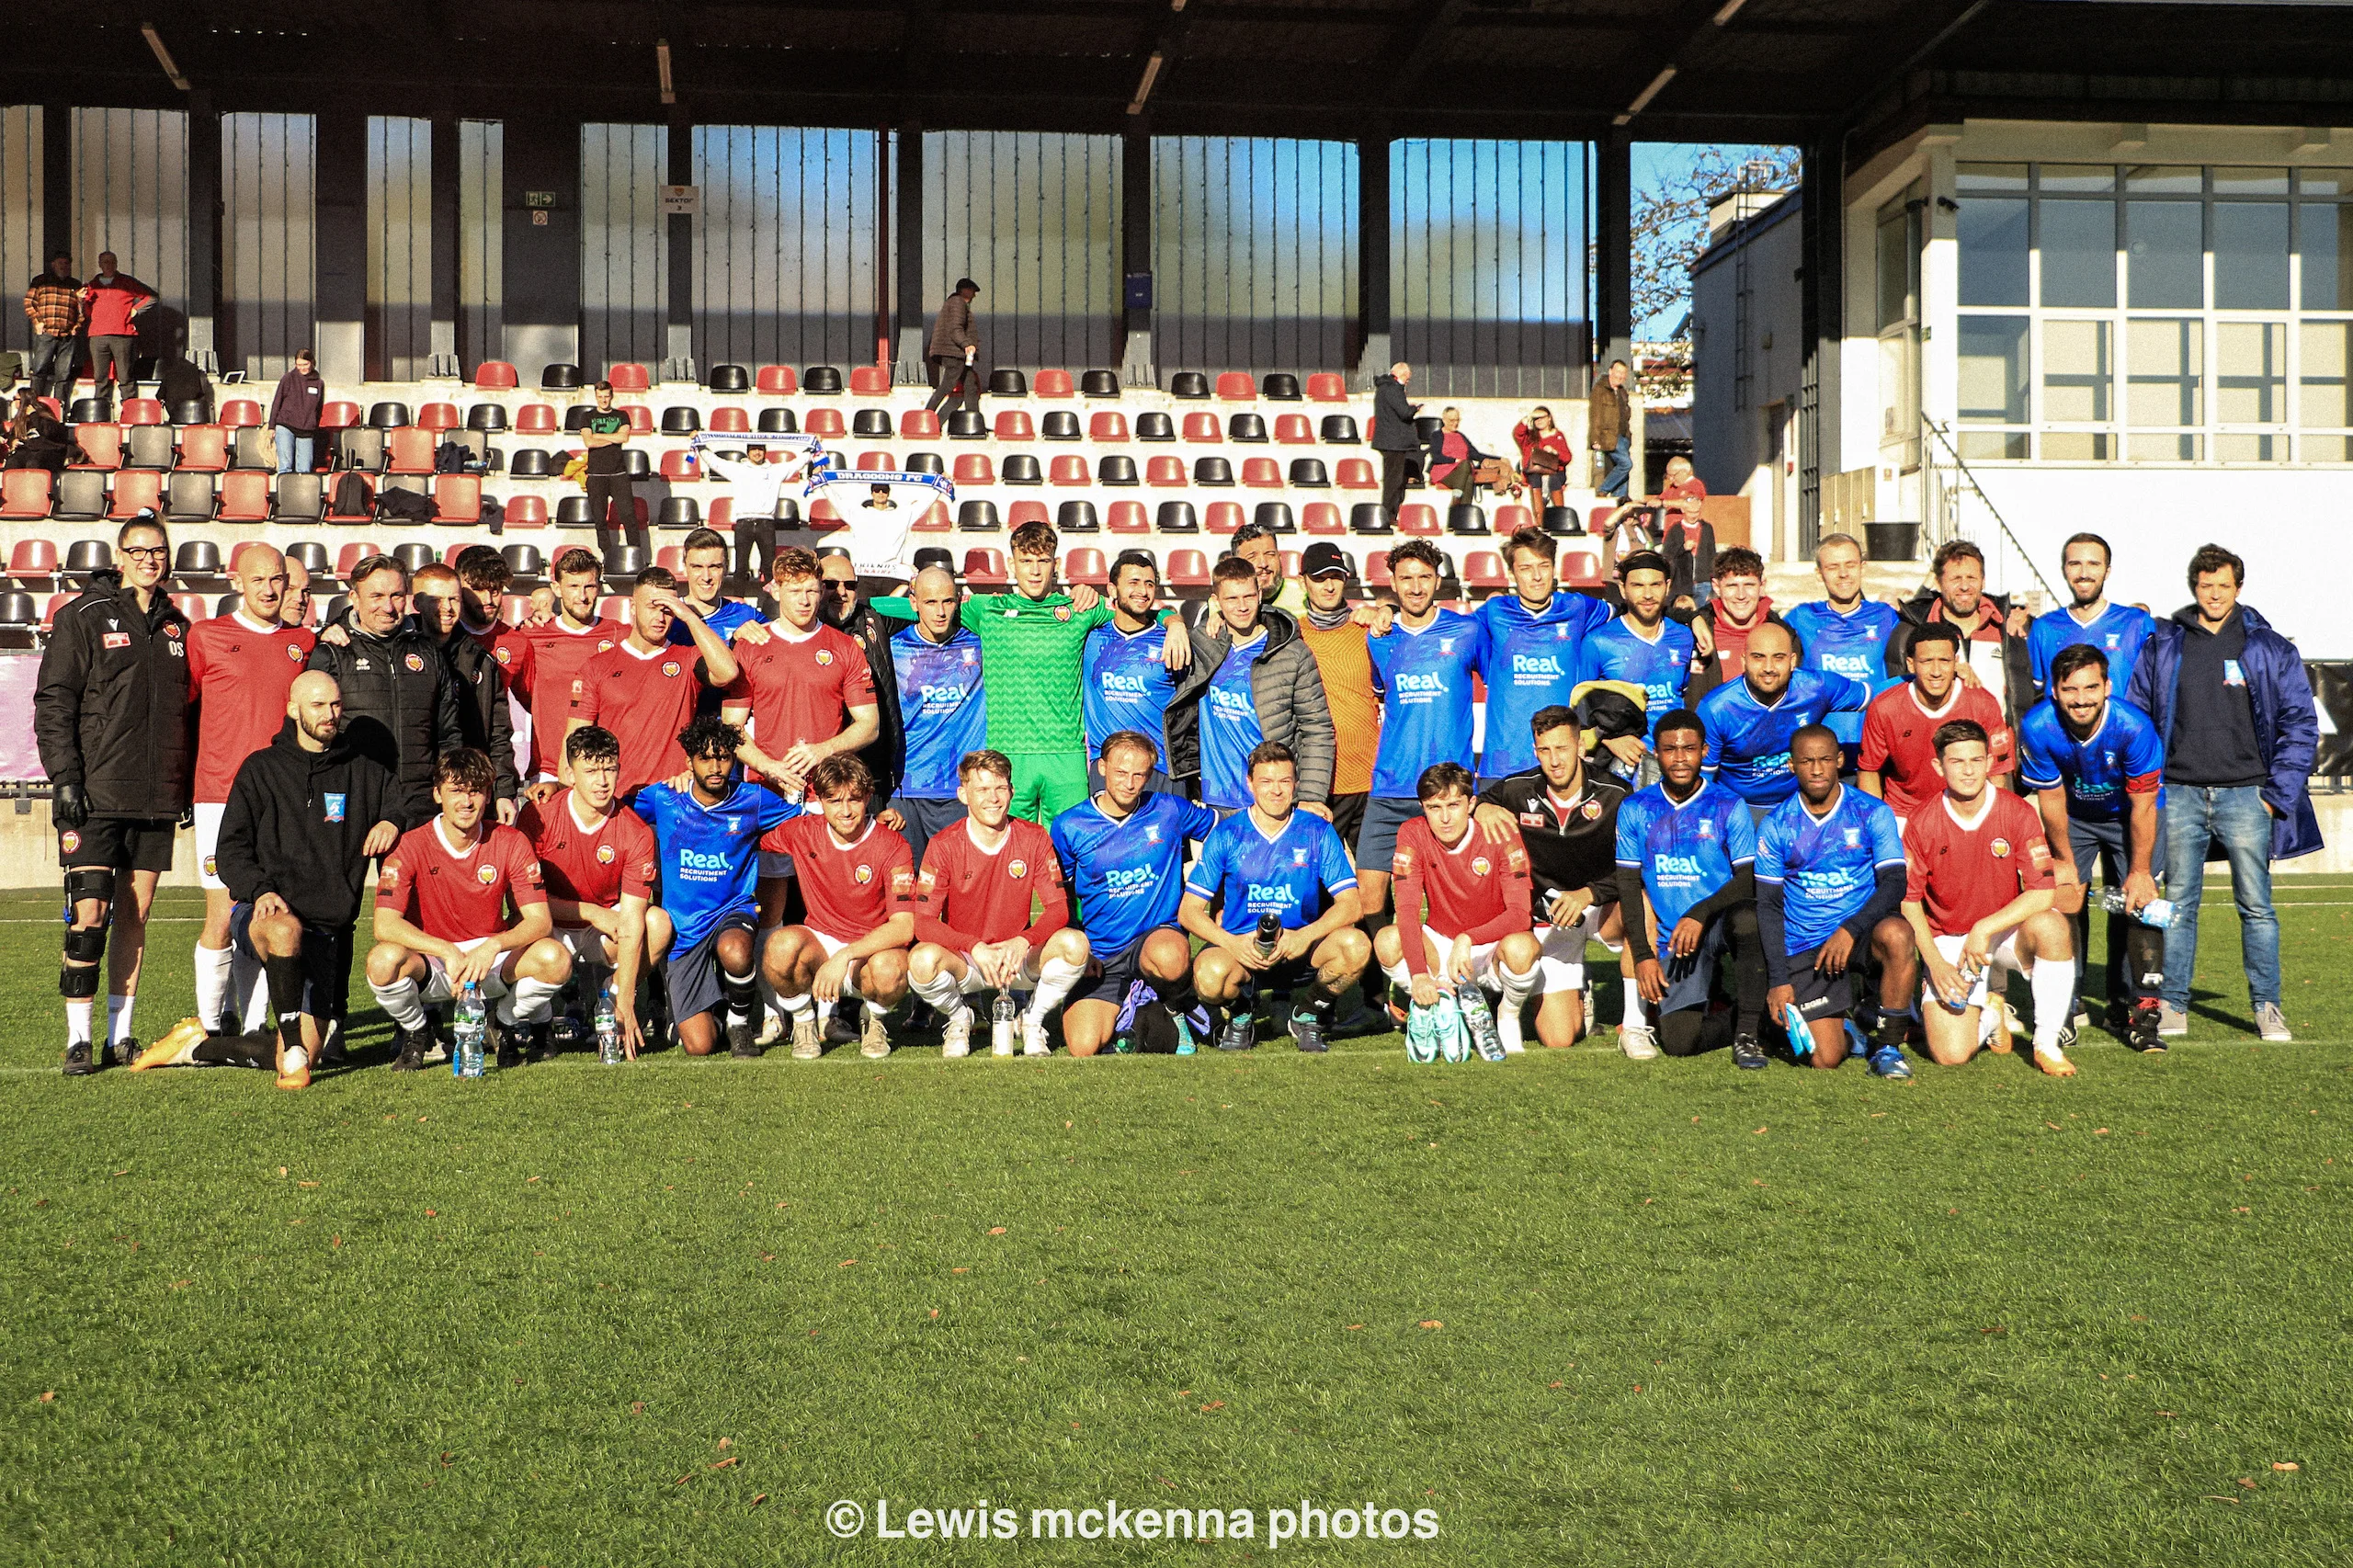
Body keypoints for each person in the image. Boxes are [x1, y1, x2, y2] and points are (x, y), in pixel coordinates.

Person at [135, 673, 404, 1086]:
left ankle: (195, 1046)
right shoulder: (261, 769)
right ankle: (293, 1044)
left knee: (299, 1058)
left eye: (335, 705)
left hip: (327, 930)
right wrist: (260, 889)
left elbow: (405, 803)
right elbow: (231, 850)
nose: (329, 715)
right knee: (284, 929)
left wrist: (390, 819)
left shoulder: (364, 772)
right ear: (294, 709)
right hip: (263, 912)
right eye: (317, 706)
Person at [2128, 543, 2320, 1044]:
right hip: (2181, 794)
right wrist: (2152, 789)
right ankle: (2173, 1006)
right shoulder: (2164, 645)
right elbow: (2138, 719)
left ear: (2239, 588)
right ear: (2194, 587)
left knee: (2256, 907)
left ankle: (2268, 1007)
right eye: (2205, 585)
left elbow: (2301, 723)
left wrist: (2278, 792)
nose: (2214, 594)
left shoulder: (2269, 647)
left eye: (2224, 586)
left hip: (2248, 796)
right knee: (2180, 904)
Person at [876, 519, 1182, 825]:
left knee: (1068, 850)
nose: (1035, 571)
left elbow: (1136, 606)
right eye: (1026, 561)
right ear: (1011, 564)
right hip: (1007, 755)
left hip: (1066, 757)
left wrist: (1174, 620)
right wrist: (855, 606)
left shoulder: (1080, 608)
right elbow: (912, 606)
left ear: (1055, 564)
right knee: (1009, 850)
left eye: (1043, 561)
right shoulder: (987, 610)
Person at [36, 514, 191, 1074]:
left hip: (155, 798)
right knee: (89, 912)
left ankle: (119, 1036)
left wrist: (185, 782)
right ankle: (78, 1037)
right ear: (120, 556)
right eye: (140, 550)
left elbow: (187, 715)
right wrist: (65, 778)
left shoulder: (178, 627)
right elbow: (54, 702)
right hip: (95, 793)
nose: (151, 559)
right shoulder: (82, 616)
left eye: (159, 550)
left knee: (135, 913)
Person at [367, 748, 571, 1070]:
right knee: (382, 961)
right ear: (437, 795)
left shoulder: (510, 841)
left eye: (475, 790)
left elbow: (540, 921)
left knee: (555, 957)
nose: (466, 801)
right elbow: (385, 926)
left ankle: (503, 1023)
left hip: (490, 960)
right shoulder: (410, 844)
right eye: (456, 791)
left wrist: (493, 945)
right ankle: (418, 1031)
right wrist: (446, 950)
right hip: (437, 963)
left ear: (489, 794)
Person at [186, 544, 318, 1037]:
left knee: (268, 908)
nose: (269, 589)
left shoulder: (303, 642)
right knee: (221, 912)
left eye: (277, 579)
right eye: (258, 579)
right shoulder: (207, 637)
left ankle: (253, 1025)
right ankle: (209, 1023)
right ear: (236, 582)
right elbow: (187, 709)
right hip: (219, 796)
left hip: (280, 798)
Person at [1901, 719, 2077, 1074]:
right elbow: (1909, 902)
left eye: (1976, 760)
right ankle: (1991, 1015)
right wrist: (1935, 964)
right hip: (1948, 938)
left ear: (1989, 762)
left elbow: (2042, 892)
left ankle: (2046, 1044)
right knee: (1951, 1054)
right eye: (1957, 761)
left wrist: (1985, 927)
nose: (1968, 771)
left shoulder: (2017, 812)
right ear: (1938, 766)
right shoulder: (1921, 822)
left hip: (2004, 932)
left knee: (2054, 926)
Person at [2020, 644, 2166, 1051]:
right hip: (2075, 816)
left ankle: (2139, 1011)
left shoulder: (2134, 727)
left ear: (2107, 686)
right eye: (2070, 689)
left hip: (2130, 817)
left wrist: (2139, 871)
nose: (2081, 699)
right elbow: (2050, 801)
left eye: (2090, 688)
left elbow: (2143, 806)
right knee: (2066, 898)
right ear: (2054, 690)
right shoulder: (2037, 725)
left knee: (2140, 904)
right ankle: (2064, 1006)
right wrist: (2064, 861)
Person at [1180, 741, 1370, 1054]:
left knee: (1356, 947)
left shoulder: (1317, 831)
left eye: (1285, 781)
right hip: (1243, 950)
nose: (1277, 791)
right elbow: (1189, 912)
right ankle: (1241, 1015)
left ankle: (1308, 1013)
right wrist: (1231, 943)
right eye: (1266, 782)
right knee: (1207, 976)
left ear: (1295, 783)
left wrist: (1304, 936)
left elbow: (1352, 904)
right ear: (1250, 783)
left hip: (1300, 948)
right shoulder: (1228, 834)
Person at [899, 748, 1090, 1058]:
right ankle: (960, 1018)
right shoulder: (944, 844)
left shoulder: (1034, 837)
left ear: (1012, 791)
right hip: (967, 958)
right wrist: (973, 946)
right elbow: (924, 922)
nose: (994, 798)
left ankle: (1032, 1020)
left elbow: (1058, 908)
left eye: (1001, 788)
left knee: (1075, 943)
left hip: (1017, 957)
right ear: (963, 794)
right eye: (982, 789)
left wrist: (1022, 941)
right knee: (921, 961)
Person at [633, 716, 801, 1057]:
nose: (715, 766)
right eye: (705, 758)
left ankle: (740, 1024)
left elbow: (809, 824)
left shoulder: (753, 800)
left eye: (723, 757)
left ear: (734, 760)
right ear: (688, 763)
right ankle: (715, 1016)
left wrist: (877, 822)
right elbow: (614, 811)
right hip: (684, 928)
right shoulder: (664, 798)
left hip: (732, 910)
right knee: (700, 1046)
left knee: (736, 951)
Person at [1755, 725, 1915, 1075]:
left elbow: (1894, 882)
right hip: (1807, 943)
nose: (1816, 769)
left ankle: (1888, 1046)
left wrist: (1851, 928)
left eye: (1825, 759)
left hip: (1858, 935)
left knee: (1898, 934)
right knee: (1825, 1059)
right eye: (1807, 761)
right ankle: (1850, 1032)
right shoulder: (1776, 825)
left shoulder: (1872, 812)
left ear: (1840, 760)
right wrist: (1778, 979)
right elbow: (1768, 905)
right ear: (1791, 765)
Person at [1051, 731, 1220, 1057]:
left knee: (1170, 957)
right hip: (1101, 953)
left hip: (1155, 940)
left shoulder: (1169, 809)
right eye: (1120, 772)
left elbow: (1224, 832)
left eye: (1139, 774)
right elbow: (1063, 896)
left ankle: (1175, 1004)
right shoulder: (1070, 825)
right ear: (1101, 767)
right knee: (1083, 1048)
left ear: (1149, 775)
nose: (1129, 783)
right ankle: (1137, 1005)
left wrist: (1201, 886)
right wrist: (1078, 950)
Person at [1613, 710, 1765, 1065]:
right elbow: (1627, 885)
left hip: (1715, 924)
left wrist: (1700, 913)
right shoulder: (1636, 807)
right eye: (1670, 749)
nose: (1680, 759)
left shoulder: (1729, 805)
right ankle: (1755, 1014)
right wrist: (1643, 956)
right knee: (1680, 1042)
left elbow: (1746, 879)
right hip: (1673, 940)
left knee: (1749, 919)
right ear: (1656, 752)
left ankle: (1748, 1031)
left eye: (1689, 749)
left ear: (1705, 751)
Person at [1477, 704, 1629, 1051]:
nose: (1555, 760)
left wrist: (1589, 894)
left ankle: (1637, 1022)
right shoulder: (1517, 789)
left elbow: (1637, 869)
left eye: (1562, 748)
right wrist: (1483, 807)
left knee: (1644, 912)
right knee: (1558, 1039)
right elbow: (1478, 800)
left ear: (1581, 747)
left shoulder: (1616, 794)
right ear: (1535, 751)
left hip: (1599, 907)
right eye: (1545, 750)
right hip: (1550, 920)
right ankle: (1578, 991)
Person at [514, 723, 666, 1060]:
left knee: (658, 923)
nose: (602, 781)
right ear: (568, 772)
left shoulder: (636, 832)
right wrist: (590, 912)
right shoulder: (538, 815)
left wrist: (625, 996)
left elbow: (632, 918)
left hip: (604, 932)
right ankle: (527, 1020)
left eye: (609, 769)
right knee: (519, 928)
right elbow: (523, 901)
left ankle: (608, 1006)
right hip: (550, 924)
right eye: (591, 770)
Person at [1358, 540, 1487, 920]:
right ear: (1393, 584)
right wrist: (1383, 612)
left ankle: (1458, 975)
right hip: (1391, 784)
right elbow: (1381, 693)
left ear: (1438, 580)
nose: (1416, 587)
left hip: (1448, 791)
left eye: (1425, 577)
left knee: (1457, 898)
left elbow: (1498, 680)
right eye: (1406, 578)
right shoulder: (1379, 638)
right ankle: (1382, 978)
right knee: (1369, 899)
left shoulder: (1467, 631)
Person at [1375, 762, 1541, 1051]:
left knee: (1522, 948)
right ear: (1422, 807)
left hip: (1491, 946)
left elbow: (1519, 914)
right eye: (1434, 807)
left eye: (1453, 805)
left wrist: (1468, 938)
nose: (1445, 818)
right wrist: (1419, 975)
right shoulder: (1412, 833)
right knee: (1386, 940)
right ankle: (1432, 1002)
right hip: (1441, 945)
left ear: (1471, 803)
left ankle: (1507, 1014)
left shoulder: (1500, 834)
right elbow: (1408, 909)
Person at [759, 754, 914, 1060]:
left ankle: (874, 1021)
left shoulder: (894, 845)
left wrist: (845, 955)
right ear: (820, 801)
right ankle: (803, 1022)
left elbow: (904, 926)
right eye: (834, 801)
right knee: (779, 946)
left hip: (869, 951)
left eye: (854, 800)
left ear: (869, 797)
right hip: (821, 943)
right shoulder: (802, 831)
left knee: (891, 969)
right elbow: (751, 839)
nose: (845, 811)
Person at [1165, 556, 1335, 821]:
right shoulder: (1201, 644)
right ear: (1216, 601)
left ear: (1259, 594)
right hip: (1216, 801)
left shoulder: (1292, 653)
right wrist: (1174, 622)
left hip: (1272, 799)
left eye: (1248, 596)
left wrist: (1311, 797)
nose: (1242, 607)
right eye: (1232, 599)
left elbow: (1317, 728)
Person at [304, 554, 466, 828]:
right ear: (354, 598)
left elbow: (448, 734)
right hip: (353, 804)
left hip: (419, 805)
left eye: (397, 595)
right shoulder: (331, 652)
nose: (388, 607)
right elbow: (311, 737)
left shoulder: (429, 653)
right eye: (376, 595)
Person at [571, 566, 741, 798]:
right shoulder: (598, 666)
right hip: (617, 796)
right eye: (652, 607)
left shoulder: (688, 658)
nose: (660, 618)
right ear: (632, 607)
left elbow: (728, 672)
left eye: (668, 610)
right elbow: (574, 740)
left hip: (674, 796)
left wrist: (689, 615)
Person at [1475, 528, 1612, 789]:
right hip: (1503, 764)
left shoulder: (1577, 607)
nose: (1536, 577)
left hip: (1561, 764)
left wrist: (1690, 616)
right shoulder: (1494, 612)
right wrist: (1388, 610)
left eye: (1544, 566)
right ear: (1512, 573)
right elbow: (1438, 630)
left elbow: (1633, 612)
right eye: (1526, 568)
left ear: (1554, 568)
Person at [875, 564, 986, 870]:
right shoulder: (891, 650)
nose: (940, 611)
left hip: (960, 790)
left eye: (948, 601)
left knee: (959, 889)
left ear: (959, 600)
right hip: (905, 789)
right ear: (913, 603)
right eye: (930, 602)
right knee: (907, 890)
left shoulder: (980, 644)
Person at [1697, 620, 1868, 813]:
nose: (1768, 668)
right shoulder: (1717, 708)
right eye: (1758, 657)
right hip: (1739, 808)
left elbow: (1879, 696)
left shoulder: (1816, 687)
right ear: (1743, 661)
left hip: (1799, 804)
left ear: (1793, 661)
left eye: (1778, 658)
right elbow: (1704, 783)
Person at [1858, 622, 2013, 830]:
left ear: (1956, 662)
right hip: (1904, 813)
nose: (1936, 671)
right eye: (1927, 661)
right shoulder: (1885, 707)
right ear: (1911, 664)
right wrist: (1877, 826)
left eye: (1944, 661)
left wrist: (1994, 823)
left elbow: (1996, 772)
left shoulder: (1983, 704)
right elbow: (1869, 769)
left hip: (1966, 812)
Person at [406, 562, 522, 813]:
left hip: (466, 796)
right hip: (412, 793)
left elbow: (498, 734)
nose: (447, 608)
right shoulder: (398, 653)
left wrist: (503, 791)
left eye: (454, 599)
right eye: (436, 599)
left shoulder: (480, 659)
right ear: (417, 604)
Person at [1782, 531, 1904, 764]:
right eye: (1833, 567)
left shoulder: (1886, 616)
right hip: (1819, 753)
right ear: (1819, 574)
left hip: (1874, 749)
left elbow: (1925, 648)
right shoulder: (1802, 617)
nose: (1843, 574)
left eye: (1850, 565)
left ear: (1863, 567)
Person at [1291, 541, 1382, 852]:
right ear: (1303, 581)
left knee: (1377, 895)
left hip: (1370, 782)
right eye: (1319, 578)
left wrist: (1385, 610)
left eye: (1336, 576)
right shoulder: (1294, 635)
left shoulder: (1368, 629)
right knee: (1317, 892)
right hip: (1318, 785)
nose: (1329, 586)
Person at [1888, 540, 2034, 722]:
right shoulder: (1911, 632)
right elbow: (1897, 696)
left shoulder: (2008, 629)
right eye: (1956, 579)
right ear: (1938, 583)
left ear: (1983, 581)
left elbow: (2027, 695)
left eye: (1971, 578)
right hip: (1937, 743)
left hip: (1999, 744)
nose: (1965, 586)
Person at [516, 548, 623, 785]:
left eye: (589, 587)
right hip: (549, 768)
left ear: (600, 587)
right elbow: (524, 693)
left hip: (602, 768)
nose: (582, 596)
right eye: (573, 587)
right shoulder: (532, 635)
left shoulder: (620, 636)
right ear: (557, 589)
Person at [1083, 550, 1184, 792]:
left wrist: (1175, 622)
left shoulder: (1171, 639)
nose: (1142, 591)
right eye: (1133, 582)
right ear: (1112, 590)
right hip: (1106, 769)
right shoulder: (1090, 636)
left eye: (1149, 584)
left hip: (1159, 768)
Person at [1577, 551, 1699, 749]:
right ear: (1623, 589)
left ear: (1667, 587)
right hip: (1623, 767)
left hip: (1674, 759)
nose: (1648, 595)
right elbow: (1580, 712)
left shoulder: (1683, 636)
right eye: (1638, 585)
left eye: (1655, 585)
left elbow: (1681, 694)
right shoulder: (1598, 642)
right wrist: (1608, 740)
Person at [817, 550, 912, 796]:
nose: (841, 592)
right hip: (821, 770)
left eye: (850, 585)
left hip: (873, 771)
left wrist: (965, 604)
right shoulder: (800, 629)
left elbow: (929, 613)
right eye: (831, 584)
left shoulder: (874, 620)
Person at [2029, 532, 2155, 694]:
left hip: (2119, 720)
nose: (2083, 574)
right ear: (2064, 570)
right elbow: (2028, 692)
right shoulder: (2043, 628)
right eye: (2075, 564)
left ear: (2107, 571)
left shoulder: (2137, 623)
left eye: (2093, 564)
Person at [690, 437, 793, 581]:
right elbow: (714, 461)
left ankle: (771, 601)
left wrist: (812, 445)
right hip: (744, 523)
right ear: (748, 452)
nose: (757, 453)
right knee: (741, 566)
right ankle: (738, 598)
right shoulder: (737, 469)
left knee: (769, 566)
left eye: (760, 449)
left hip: (766, 523)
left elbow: (796, 464)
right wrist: (699, 443)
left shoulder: (775, 470)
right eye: (753, 450)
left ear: (765, 452)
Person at [1685, 547, 1775, 693]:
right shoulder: (1693, 632)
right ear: (1716, 587)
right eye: (1732, 586)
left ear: (1762, 585)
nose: (1741, 595)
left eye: (1749, 585)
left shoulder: (1784, 633)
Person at [78, 252, 153, 412]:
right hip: (98, 335)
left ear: (116, 263)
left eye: (112, 262)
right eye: (105, 262)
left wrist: (136, 310)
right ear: (100, 264)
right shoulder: (92, 285)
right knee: (100, 377)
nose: (108, 265)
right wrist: (80, 300)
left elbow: (151, 297)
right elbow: (85, 312)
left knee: (125, 376)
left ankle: (130, 410)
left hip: (123, 334)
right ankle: (101, 410)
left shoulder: (126, 282)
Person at [670, 526, 766, 644]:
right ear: (685, 569)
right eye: (697, 567)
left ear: (726, 568)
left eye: (714, 567)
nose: (706, 577)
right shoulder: (668, 617)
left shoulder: (746, 615)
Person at [578, 381, 640, 551]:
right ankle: (607, 554)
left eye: (606, 396)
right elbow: (588, 442)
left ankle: (636, 552)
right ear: (595, 397)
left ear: (611, 396)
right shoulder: (587, 416)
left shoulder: (622, 415)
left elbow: (623, 438)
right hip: (596, 475)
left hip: (618, 474)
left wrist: (599, 435)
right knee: (599, 519)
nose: (604, 400)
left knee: (628, 516)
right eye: (600, 397)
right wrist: (613, 437)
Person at [1653, 456, 1712, 608]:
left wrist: (1664, 503)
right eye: (1668, 476)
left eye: (1673, 475)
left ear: (1685, 471)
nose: (1671, 479)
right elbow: (1658, 500)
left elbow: (1688, 503)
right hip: (1672, 542)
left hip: (1687, 541)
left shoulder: (1695, 485)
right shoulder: (1672, 489)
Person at [22, 252, 82, 402]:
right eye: (60, 263)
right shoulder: (40, 281)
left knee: (63, 375)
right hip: (46, 333)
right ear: (53, 264)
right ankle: (35, 406)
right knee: (39, 371)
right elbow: (29, 302)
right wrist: (37, 321)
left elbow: (82, 309)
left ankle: (59, 408)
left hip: (67, 335)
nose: (64, 266)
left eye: (67, 263)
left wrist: (77, 326)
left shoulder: (75, 285)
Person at [1424, 406, 1515, 504]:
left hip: (1463, 472)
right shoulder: (1437, 436)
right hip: (1444, 472)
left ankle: (1461, 509)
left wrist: (1499, 458)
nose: (1455, 423)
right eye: (1452, 420)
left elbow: (1475, 454)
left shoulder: (1461, 436)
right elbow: (1436, 457)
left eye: (1457, 420)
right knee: (1466, 464)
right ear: (1444, 420)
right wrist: (1455, 460)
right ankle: (1457, 499)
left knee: (1469, 477)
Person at [1370, 361, 1422, 521]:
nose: (1407, 381)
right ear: (1401, 375)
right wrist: (1414, 408)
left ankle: (1389, 513)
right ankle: (1388, 514)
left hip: (1388, 440)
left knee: (1392, 478)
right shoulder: (1393, 389)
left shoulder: (1383, 388)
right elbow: (1404, 413)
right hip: (1394, 442)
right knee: (1394, 480)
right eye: (1407, 377)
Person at [925, 278, 983, 416]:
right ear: (964, 290)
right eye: (972, 291)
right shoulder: (958, 302)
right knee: (947, 385)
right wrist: (967, 344)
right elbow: (955, 328)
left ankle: (973, 420)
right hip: (953, 353)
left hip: (956, 353)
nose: (974, 295)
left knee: (970, 386)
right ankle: (926, 416)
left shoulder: (954, 303)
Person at [1228, 523, 1310, 618]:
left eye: (1270, 554)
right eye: (1252, 557)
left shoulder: (1305, 596)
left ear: (1279, 558)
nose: (1263, 564)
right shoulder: (1222, 603)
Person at [267, 349, 325, 473]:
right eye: (299, 365)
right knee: (285, 466)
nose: (302, 368)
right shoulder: (288, 378)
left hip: (306, 429)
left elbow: (319, 407)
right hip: (286, 425)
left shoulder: (319, 383)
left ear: (312, 363)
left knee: (305, 469)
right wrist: (271, 426)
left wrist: (314, 425)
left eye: (305, 364)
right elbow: (277, 402)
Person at [1512, 405, 1574, 510]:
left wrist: (1555, 452)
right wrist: (1527, 418)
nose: (1539, 420)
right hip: (1534, 470)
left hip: (1554, 471)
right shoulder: (1530, 436)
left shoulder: (1558, 436)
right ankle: (1539, 517)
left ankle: (1559, 514)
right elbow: (1518, 433)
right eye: (1536, 418)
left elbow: (1567, 457)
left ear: (1549, 418)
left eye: (1542, 417)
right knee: (1535, 479)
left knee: (1554, 480)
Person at [1588, 358, 1631, 499]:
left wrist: (1628, 436)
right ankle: (1603, 490)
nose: (1621, 376)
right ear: (1610, 371)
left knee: (1624, 475)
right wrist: (1595, 439)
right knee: (1626, 464)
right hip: (1608, 436)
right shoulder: (1600, 390)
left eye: (1624, 373)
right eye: (1618, 372)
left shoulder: (1622, 392)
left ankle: (1619, 500)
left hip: (1623, 437)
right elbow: (1595, 416)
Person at [4, 387, 72, 473]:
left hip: (47, 450)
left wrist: (34, 415)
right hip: (27, 449)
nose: (14, 402)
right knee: (12, 462)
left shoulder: (42, 414)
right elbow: (12, 435)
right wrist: (12, 441)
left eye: (15, 399)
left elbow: (48, 432)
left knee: (33, 462)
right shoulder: (19, 419)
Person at [281, 557, 313, 631]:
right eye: (289, 589)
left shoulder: (310, 640)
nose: (299, 599)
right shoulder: (250, 638)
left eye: (306, 591)